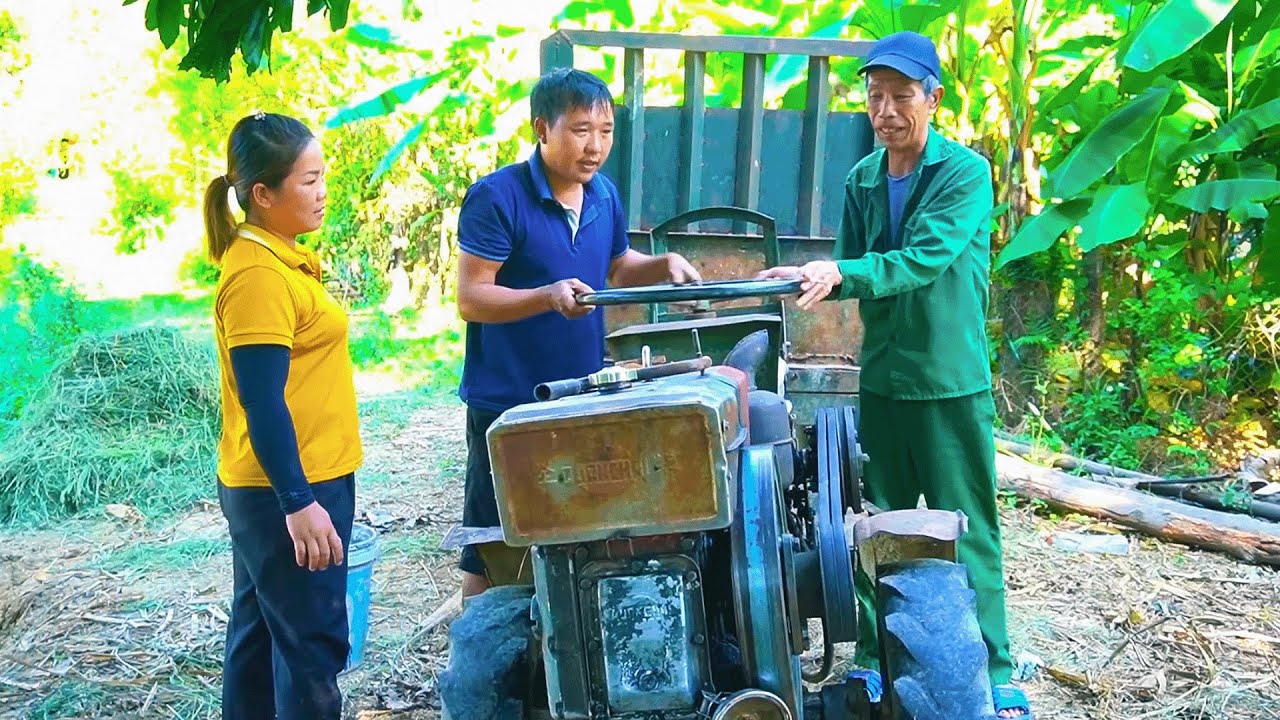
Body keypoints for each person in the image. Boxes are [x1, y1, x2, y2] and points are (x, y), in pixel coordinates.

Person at [759, 32, 1032, 719]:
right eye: (874, 96)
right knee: (870, 524)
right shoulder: (862, 179)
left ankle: (994, 668)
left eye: (901, 95)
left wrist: (841, 271)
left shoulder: (964, 174)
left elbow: (920, 260)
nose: (885, 110)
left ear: (933, 99)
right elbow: (849, 277)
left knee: (964, 527)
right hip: (881, 377)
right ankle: (879, 660)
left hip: (948, 380)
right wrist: (805, 276)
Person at [453, 68, 701, 598]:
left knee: (578, 523)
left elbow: (615, 268)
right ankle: (475, 647)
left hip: (583, 394)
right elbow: (472, 298)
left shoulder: (603, 195)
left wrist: (663, 266)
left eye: (606, 130)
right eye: (581, 130)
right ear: (543, 129)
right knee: (494, 536)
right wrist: (546, 296)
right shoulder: (496, 198)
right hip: (509, 401)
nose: (596, 146)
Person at [204, 111, 362, 720]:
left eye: (323, 177)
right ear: (262, 194)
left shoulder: (281, 259)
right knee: (310, 649)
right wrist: (298, 502)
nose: (323, 192)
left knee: (261, 638)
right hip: (287, 488)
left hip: (288, 480)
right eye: (308, 181)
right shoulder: (258, 278)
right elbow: (262, 399)